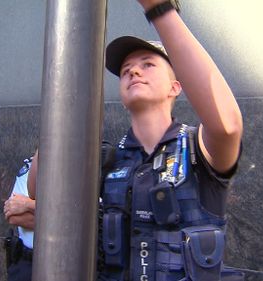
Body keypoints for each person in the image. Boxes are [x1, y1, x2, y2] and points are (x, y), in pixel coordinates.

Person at [29, 1, 244, 280]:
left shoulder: (197, 149)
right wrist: (61, 106)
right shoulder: (107, 159)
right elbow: (39, 188)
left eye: (148, 64)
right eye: (126, 69)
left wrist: (159, 8)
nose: (133, 71)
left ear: (175, 86)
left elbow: (227, 127)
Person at [4, 156, 36, 281]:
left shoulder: (80, 171)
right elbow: (13, 216)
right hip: (27, 262)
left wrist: (27, 205)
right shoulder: (29, 169)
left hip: (65, 263)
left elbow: (77, 218)